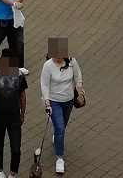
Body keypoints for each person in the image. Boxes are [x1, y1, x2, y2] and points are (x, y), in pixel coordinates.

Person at [40, 39, 84, 175]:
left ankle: (57, 135)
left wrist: (80, 92)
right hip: (54, 101)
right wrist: (47, 103)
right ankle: (60, 158)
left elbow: (78, 75)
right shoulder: (48, 65)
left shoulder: (72, 61)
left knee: (62, 125)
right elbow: (44, 85)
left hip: (68, 100)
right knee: (60, 128)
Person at [0, 50, 27, 178]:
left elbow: (22, 96)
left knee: (16, 149)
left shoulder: (19, 76)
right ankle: (0, 170)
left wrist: (22, 114)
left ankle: (13, 173)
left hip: (14, 118)